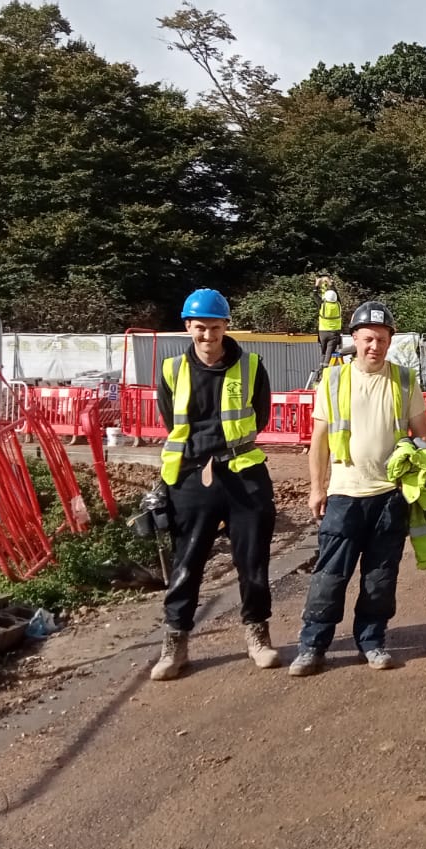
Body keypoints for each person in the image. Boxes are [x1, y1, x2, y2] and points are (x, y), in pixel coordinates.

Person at [290, 300, 426, 676]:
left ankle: (373, 641)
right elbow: (318, 440)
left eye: (382, 339)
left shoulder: (403, 380)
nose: (375, 346)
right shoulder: (334, 381)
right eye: (368, 338)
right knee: (329, 576)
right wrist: (316, 488)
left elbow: (423, 434)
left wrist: (415, 456)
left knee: (380, 577)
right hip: (344, 496)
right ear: (355, 339)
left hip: (390, 497)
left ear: (389, 341)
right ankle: (312, 645)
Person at [149, 289, 280, 681]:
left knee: (252, 562)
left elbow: (259, 417)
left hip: (243, 474)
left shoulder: (251, 366)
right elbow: (172, 420)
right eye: (200, 327)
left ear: (226, 326)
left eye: (215, 327)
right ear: (188, 327)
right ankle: (175, 644)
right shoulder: (173, 369)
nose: (208, 335)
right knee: (186, 565)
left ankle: (258, 636)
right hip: (191, 477)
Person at [316, 277, 343, 363]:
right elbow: (336, 296)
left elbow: (314, 295)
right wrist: (331, 284)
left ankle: (321, 370)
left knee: (323, 353)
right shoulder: (338, 305)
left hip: (322, 332)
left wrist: (317, 285)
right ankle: (326, 369)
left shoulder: (322, 305)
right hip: (334, 332)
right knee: (329, 353)